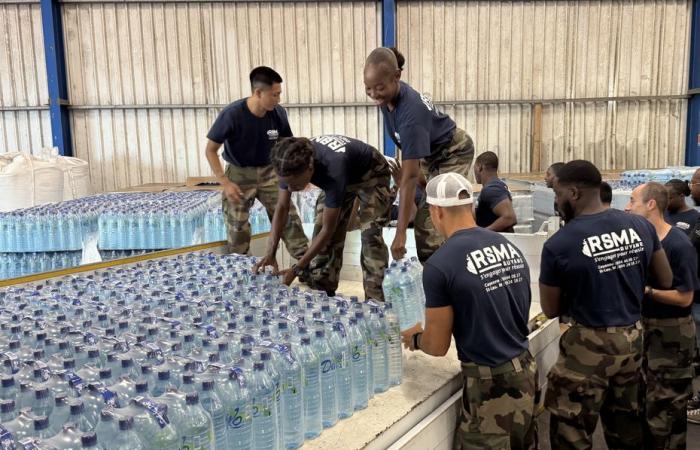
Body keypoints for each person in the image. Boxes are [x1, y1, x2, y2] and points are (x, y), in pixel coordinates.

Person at [539, 160, 673, 449]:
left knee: (571, 427)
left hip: (587, 346)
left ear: (573, 193)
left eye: (558, 194)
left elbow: (550, 310)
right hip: (632, 340)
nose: (556, 200)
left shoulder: (559, 244)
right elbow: (665, 278)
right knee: (626, 424)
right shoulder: (640, 225)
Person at [400, 172, 537, 450]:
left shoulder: (440, 265)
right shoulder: (506, 246)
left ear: (435, 212)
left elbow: (437, 346)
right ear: (471, 206)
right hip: (525, 370)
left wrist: (415, 338)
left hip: (491, 388)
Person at [364, 47, 475, 262]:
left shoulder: (410, 114)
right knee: (431, 207)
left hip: (452, 151)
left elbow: (410, 178)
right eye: (368, 89)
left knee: (431, 219)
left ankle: (457, 261)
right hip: (429, 154)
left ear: (397, 77)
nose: (374, 95)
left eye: (379, 88)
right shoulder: (387, 97)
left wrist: (400, 234)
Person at [254, 135, 391, 301]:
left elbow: (328, 230)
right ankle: (323, 296)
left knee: (370, 237)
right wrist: (270, 253)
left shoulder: (333, 169)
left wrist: (297, 269)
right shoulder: (287, 164)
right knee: (321, 239)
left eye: (295, 185)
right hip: (343, 174)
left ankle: (375, 303)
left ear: (310, 169)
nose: (291, 189)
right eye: (286, 184)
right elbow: (282, 207)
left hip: (371, 173)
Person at [205, 66, 308, 258]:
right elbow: (210, 150)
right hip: (239, 174)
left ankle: (306, 264)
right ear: (258, 92)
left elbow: (288, 145)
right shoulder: (232, 115)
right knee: (237, 225)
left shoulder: (278, 114)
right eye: (274, 95)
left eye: (279, 94)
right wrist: (225, 183)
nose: (278, 100)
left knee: (288, 218)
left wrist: (299, 176)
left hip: (271, 172)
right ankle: (241, 266)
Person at [625, 182, 698, 449]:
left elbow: (685, 297)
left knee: (669, 405)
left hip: (672, 333)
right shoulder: (642, 241)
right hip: (647, 329)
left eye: (633, 201)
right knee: (647, 402)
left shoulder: (678, 245)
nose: (628, 207)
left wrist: (648, 292)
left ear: (651, 204)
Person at [473, 151, 517, 232]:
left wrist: (483, 233)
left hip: (493, 242)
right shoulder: (497, 185)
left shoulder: (492, 189)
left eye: (474, 167)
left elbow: (510, 218)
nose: (474, 172)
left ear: (480, 167)